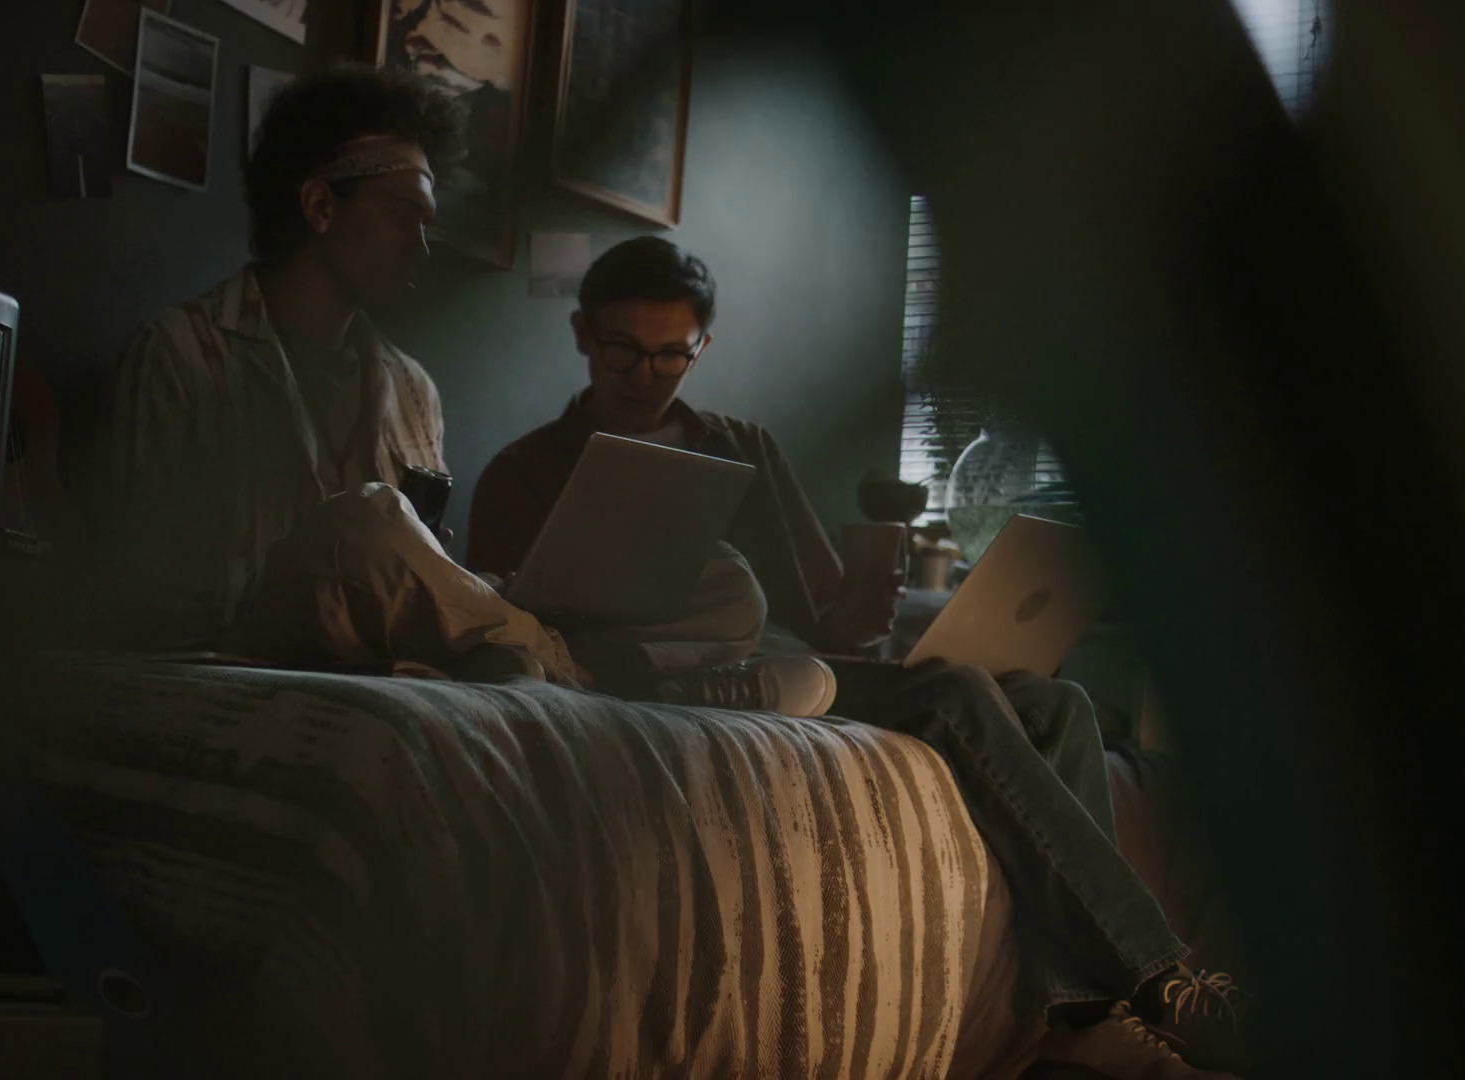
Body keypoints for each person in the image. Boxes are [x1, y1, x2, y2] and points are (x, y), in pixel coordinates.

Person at [468, 237, 1252, 1075]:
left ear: (704, 346)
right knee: (954, 696)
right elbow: (511, 640)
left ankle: (1078, 1017)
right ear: (583, 335)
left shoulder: (745, 446)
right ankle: (1159, 981)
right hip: (675, 677)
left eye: (672, 355)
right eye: (622, 350)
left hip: (797, 669)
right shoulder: (525, 472)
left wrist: (875, 592)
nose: (645, 375)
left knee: (1060, 704)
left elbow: (828, 621)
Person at [74, 65, 831, 714]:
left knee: (726, 578)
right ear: (321, 207)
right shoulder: (181, 356)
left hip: (411, 640)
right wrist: (358, 570)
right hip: (259, 641)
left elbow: (427, 568)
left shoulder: (413, 389)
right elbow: (140, 599)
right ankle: (583, 673)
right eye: (404, 216)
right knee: (370, 520)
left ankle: (603, 668)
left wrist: (462, 585)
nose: (424, 245)